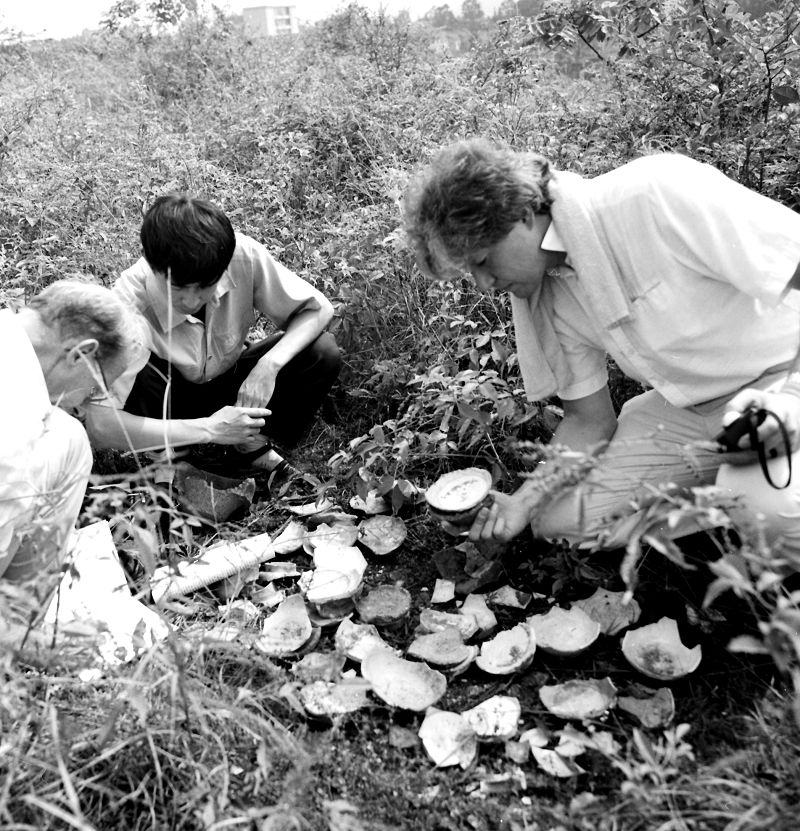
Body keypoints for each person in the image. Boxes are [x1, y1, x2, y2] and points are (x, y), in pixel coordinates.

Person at [403, 139, 800, 553]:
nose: (484, 284)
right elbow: (588, 421)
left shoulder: (655, 194)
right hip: (689, 411)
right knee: (558, 523)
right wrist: (522, 502)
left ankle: (757, 500)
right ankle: (728, 499)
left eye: (484, 261)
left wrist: (790, 398)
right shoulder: (545, 289)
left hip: (784, 377)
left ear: (521, 215)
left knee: (767, 505)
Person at [85, 195, 341, 481]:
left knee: (321, 351)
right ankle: (169, 455)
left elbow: (318, 309)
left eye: (205, 286)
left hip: (227, 382)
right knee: (142, 370)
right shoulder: (125, 303)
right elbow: (100, 424)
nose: (192, 300)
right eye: (179, 287)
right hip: (166, 402)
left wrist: (268, 366)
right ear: (153, 266)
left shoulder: (241, 256)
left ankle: (250, 443)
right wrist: (210, 429)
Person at [0, 279, 138, 583]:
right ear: (81, 354)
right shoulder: (21, 427)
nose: (83, 406)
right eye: (96, 388)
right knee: (70, 438)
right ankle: (22, 622)